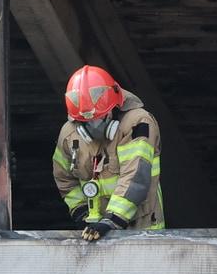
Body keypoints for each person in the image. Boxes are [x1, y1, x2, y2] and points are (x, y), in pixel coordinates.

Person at [53, 65, 165, 240]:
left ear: (114, 108)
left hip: (143, 230)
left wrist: (111, 220)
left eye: (99, 118)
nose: (94, 126)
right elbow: (64, 178)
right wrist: (81, 213)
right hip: (94, 234)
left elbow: (135, 176)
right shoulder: (69, 134)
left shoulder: (138, 123)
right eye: (85, 122)